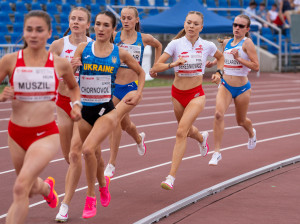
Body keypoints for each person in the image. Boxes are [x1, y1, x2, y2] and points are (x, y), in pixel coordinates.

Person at [0, 10, 82, 224]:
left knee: (20, 188)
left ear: (49, 33)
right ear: (24, 33)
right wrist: (2, 95)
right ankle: (46, 188)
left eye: (39, 30)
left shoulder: (59, 64)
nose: (34, 34)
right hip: (16, 133)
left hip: (45, 134)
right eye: (29, 30)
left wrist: (76, 105)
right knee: (27, 186)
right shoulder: (9, 61)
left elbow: (73, 88)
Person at [73, 11, 145, 218]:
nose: (101, 28)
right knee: (95, 154)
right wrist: (70, 68)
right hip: (86, 109)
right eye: (98, 24)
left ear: (114, 30)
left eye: (106, 25)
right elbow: (68, 77)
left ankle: (90, 196)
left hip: (106, 109)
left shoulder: (119, 53)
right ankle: (103, 185)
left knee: (86, 150)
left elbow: (141, 72)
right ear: (93, 27)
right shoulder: (83, 48)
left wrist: (138, 93)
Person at [151, 11, 224, 190]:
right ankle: (201, 138)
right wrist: (172, 65)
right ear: (184, 24)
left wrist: (218, 72)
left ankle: (171, 177)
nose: (191, 26)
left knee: (180, 132)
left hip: (196, 94)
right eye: (188, 23)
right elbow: (156, 66)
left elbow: (221, 57)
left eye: (195, 23)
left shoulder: (207, 45)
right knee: (187, 129)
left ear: (201, 27)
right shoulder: (176, 44)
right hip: (177, 94)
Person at [104, 6, 162, 178]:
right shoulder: (114, 37)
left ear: (137, 20)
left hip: (132, 87)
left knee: (114, 119)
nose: (126, 21)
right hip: (114, 87)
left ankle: (111, 163)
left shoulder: (143, 38)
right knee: (125, 125)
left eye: (130, 18)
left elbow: (158, 45)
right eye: (123, 18)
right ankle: (138, 138)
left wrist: (155, 65)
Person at [49, 7, 92, 222]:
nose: (76, 22)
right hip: (63, 102)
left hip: (85, 104)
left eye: (80, 19)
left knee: (76, 154)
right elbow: (47, 73)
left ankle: (64, 205)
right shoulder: (58, 45)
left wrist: (85, 68)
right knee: (68, 156)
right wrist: (67, 70)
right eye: (73, 18)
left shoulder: (94, 46)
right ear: (69, 21)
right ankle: (98, 170)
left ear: (87, 24)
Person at [206, 14, 259, 166]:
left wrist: (239, 59)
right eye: (235, 24)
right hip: (226, 85)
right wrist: (213, 63)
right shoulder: (227, 42)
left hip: (242, 88)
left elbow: (256, 66)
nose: (237, 28)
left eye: (241, 26)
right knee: (218, 114)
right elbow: (223, 56)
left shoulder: (247, 43)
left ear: (247, 29)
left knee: (241, 121)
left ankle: (251, 133)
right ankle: (216, 152)